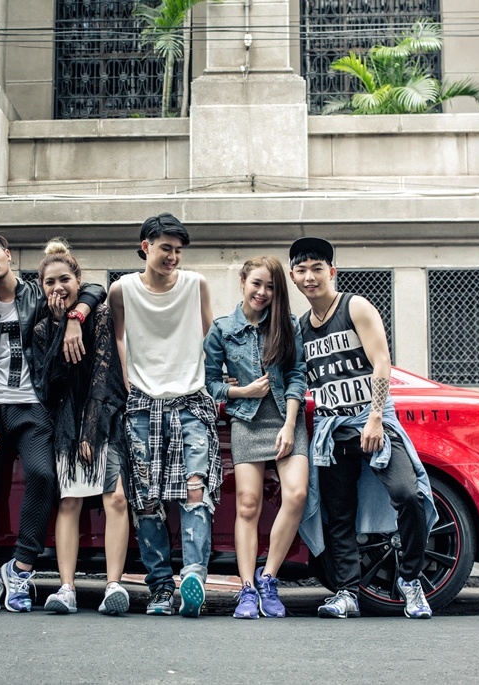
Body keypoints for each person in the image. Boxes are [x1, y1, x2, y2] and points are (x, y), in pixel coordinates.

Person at [288, 236, 437, 620]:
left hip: (372, 421)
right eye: (302, 270)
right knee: (339, 514)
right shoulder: (301, 328)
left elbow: (381, 360)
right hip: (331, 431)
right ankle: (347, 592)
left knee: (408, 494)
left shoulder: (355, 306)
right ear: (293, 277)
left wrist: (375, 417)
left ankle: (410, 580)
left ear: (332, 272)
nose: (309, 277)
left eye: (317, 268)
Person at [0, 231, 106, 613]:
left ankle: (20, 568)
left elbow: (92, 288)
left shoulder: (37, 295)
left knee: (42, 476)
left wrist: (74, 317)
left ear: (8, 254)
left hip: (32, 404)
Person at [108, 212, 220, 618]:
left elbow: (211, 336)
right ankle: (159, 588)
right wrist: (127, 381)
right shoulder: (122, 290)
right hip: (142, 405)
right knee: (147, 500)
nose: (173, 257)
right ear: (146, 247)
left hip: (191, 401)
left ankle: (193, 578)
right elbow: (117, 337)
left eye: (178, 250)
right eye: (165, 248)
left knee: (195, 490)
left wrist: (222, 380)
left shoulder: (195, 284)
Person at [204, 256, 309, 619]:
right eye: (257, 284)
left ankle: (268, 579)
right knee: (248, 504)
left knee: (296, 494)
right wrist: (241, 392)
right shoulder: (222, 329)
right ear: (243, 282)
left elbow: (297, 375)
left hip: (285, 417)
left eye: (271, 287)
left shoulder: (287, 325)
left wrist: (289, 423)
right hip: (247, 421)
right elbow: (208, 382)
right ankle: (246, 588)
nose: (262, 292)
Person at [33, 239, 131, 616]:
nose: (58, 288)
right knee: (69, 501)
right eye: (50, 282)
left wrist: (90, 431)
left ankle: (113, 585)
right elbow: (49, 386)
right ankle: (67, 588)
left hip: (103, 417)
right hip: (66, 424)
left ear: (78, 281)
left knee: (116, 498)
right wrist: (61, 327)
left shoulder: (99, 314)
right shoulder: (42, 329)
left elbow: (103, 376)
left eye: (64, 280)